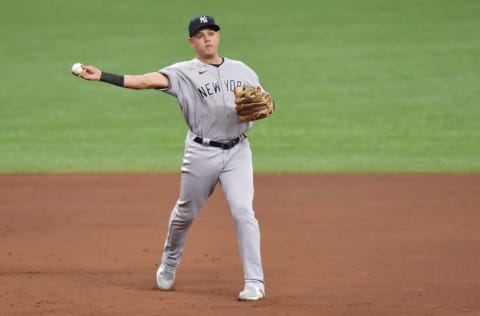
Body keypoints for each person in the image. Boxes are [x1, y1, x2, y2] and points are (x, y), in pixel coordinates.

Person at [73, 15, 273, 301]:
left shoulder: (243, 70)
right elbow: (144, 81)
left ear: (218, 37)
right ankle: (169, 262)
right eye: (201, 34)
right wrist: (104, 75)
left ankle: (254, 281)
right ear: (191, 42)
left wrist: (268, 105)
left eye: (212, 33)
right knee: (185, 214)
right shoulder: (182, 72)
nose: (207, 38)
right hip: (201, 152)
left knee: (244, 212)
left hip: (238, 152)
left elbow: (266, 102)